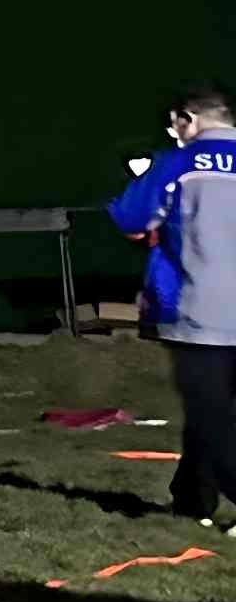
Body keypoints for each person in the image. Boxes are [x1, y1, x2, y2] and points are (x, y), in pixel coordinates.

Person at [112, 85, 236, 521]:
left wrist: (140, 179)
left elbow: (130, 218)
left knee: (210, 417)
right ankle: (192, 503)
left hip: (202, 310)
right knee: (214, 415)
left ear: (189, 118)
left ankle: (201, 499)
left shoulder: (177, 164)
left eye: (174, 125)